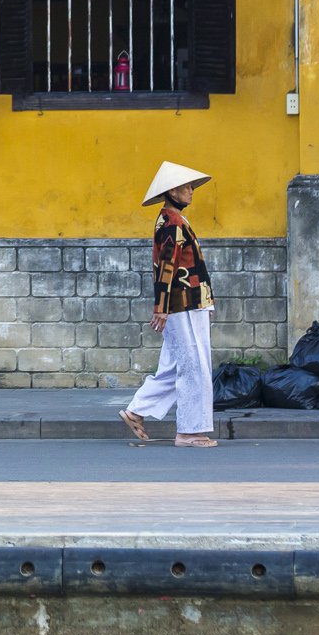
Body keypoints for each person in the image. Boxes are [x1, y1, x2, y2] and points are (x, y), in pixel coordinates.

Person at [120, 162, 218, 448]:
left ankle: (136, 411)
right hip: (182, 304)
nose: (191, 192)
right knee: (193, 366)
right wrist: (161, 308)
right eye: (187, 187)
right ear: (172, 191)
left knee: (175, 364)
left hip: (189, 303)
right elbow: (166, 267)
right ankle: (188, 432)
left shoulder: (173, 220)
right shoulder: (171, 223)